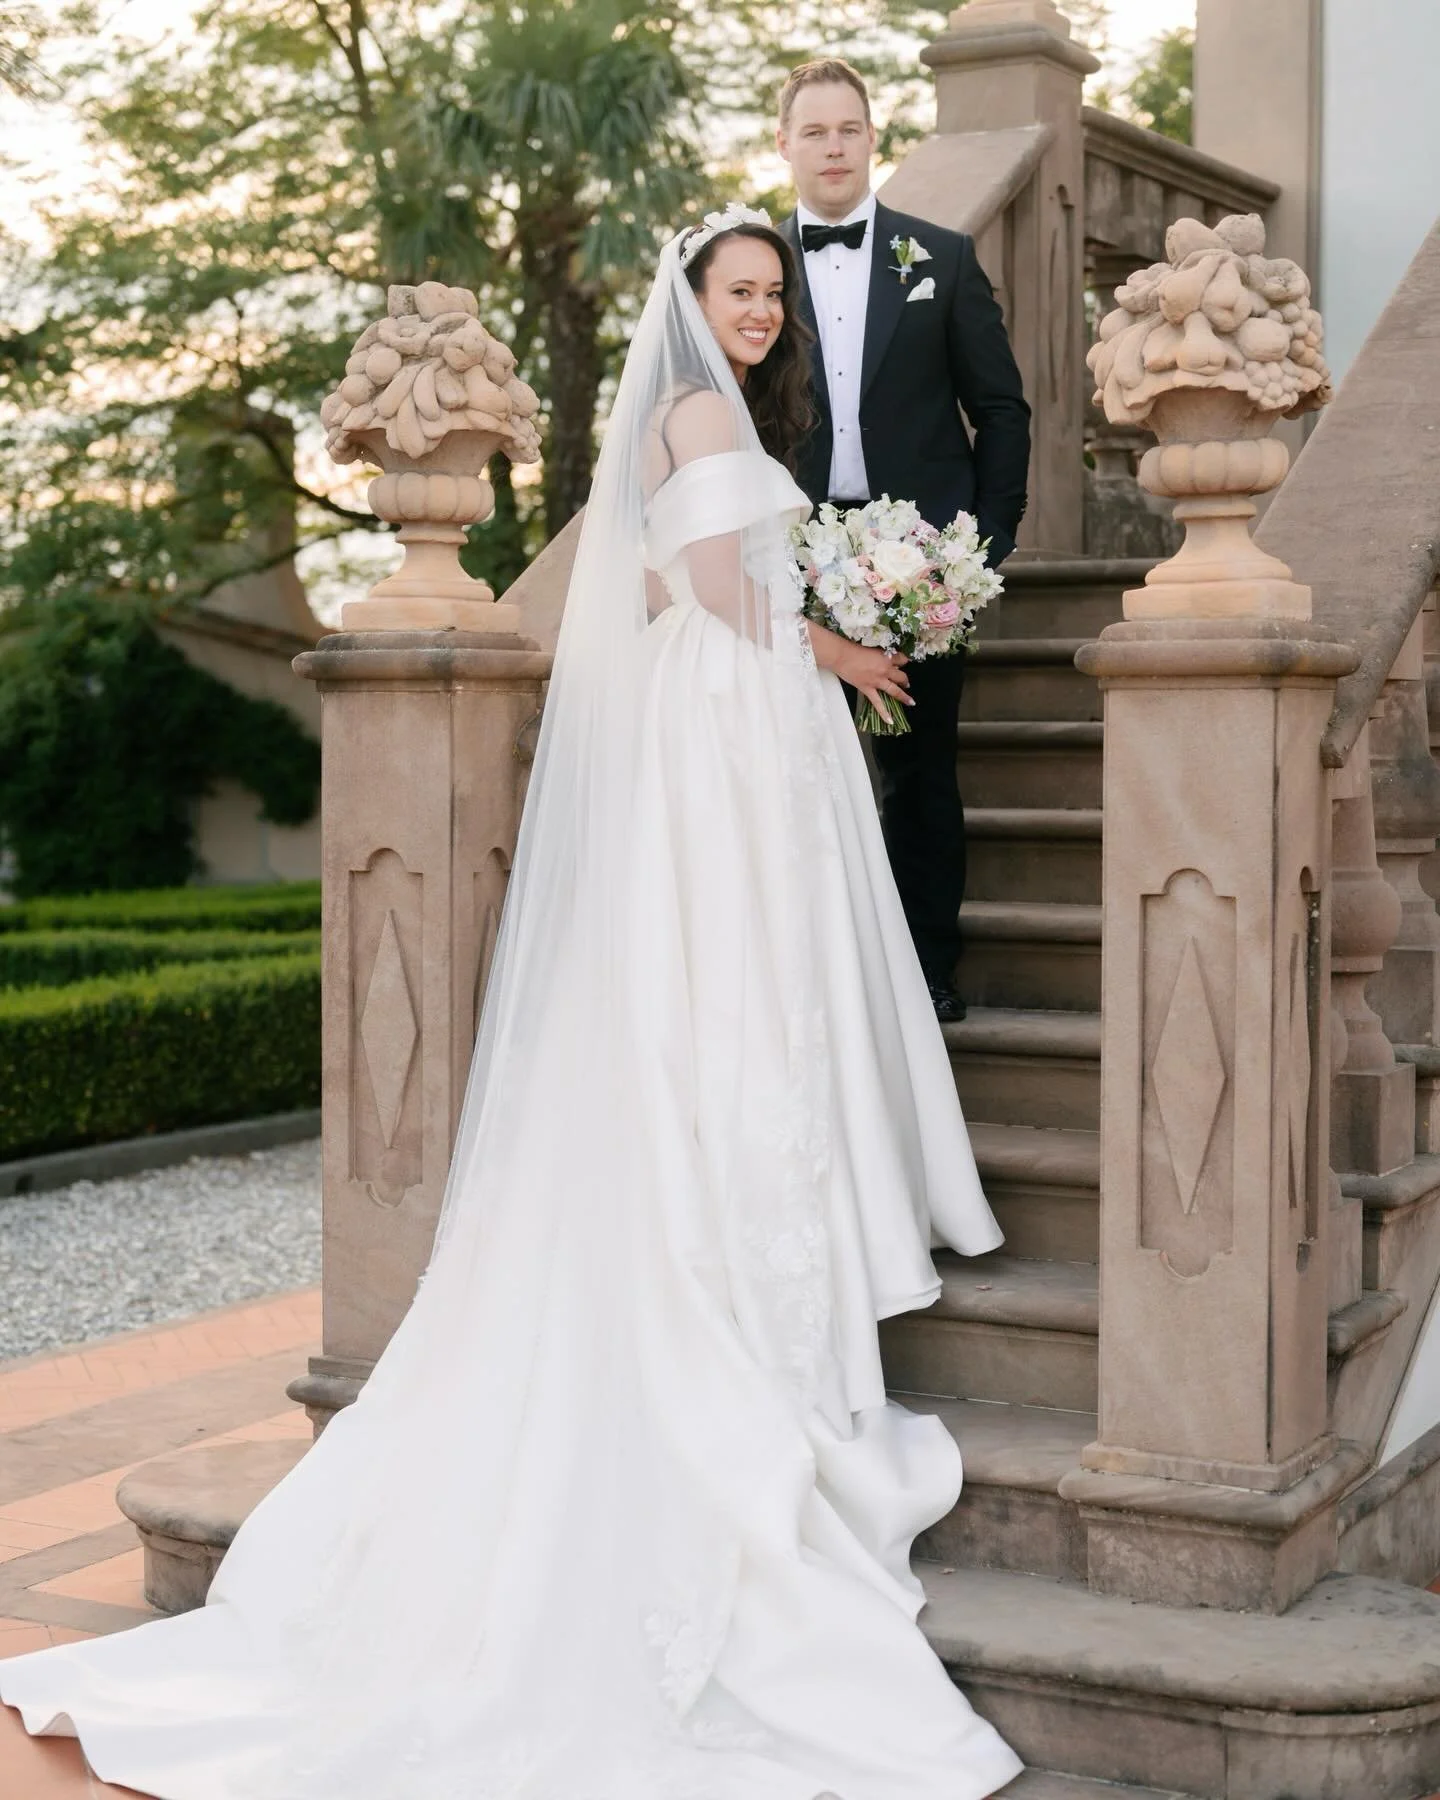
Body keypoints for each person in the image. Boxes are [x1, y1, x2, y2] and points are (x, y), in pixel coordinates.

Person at [0, 209, 1023, 1800]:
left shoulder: (731, 415)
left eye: (769, 297)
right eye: (737, 292)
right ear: (690, 302)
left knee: (754, 1009)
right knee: (730, 1001)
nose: (758, 314)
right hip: (735, 729)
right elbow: (705, 592)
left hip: (757, 727)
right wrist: (836, 637)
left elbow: (724, 580)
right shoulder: (698, 413)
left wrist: (832, 620)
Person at [776, 58, 1032, 1023]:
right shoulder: (753, 268)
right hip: (791, 562)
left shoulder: (942, 258)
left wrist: (987, 542)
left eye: (849, 129)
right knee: (803, 768)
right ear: (785, 145)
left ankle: (926, 970)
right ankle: (817, 975)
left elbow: (1001, 408)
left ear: (872, 139)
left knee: (921, 769)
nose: (833, 147)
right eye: (815, 131)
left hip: (921, 564)